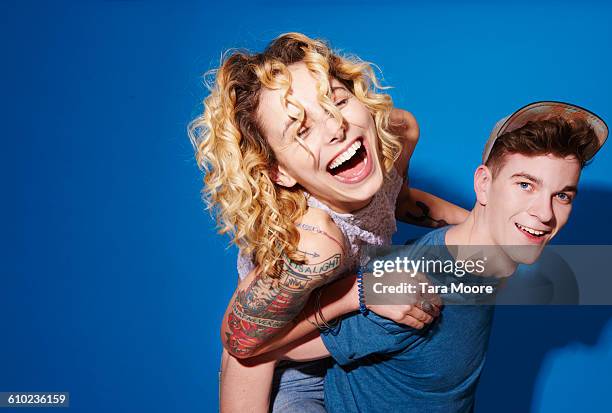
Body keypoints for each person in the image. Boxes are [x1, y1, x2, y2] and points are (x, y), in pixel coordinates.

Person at [188, 33, 467, 412]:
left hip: (361, 347)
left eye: (336, 100)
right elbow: (241, 346)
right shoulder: (315, 242)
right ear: (279, 172)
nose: (336, 127)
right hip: (292, 372)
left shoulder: (392, 136)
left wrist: (484, 228)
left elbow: (397, 199)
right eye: (300, 130)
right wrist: (362, 292)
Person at [274, 101, 608, 412]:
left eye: (562, 195)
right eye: (525, 185)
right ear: (484, 185)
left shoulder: (497, 250)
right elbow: (280, 350)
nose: (545, 214)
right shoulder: (418, 281)